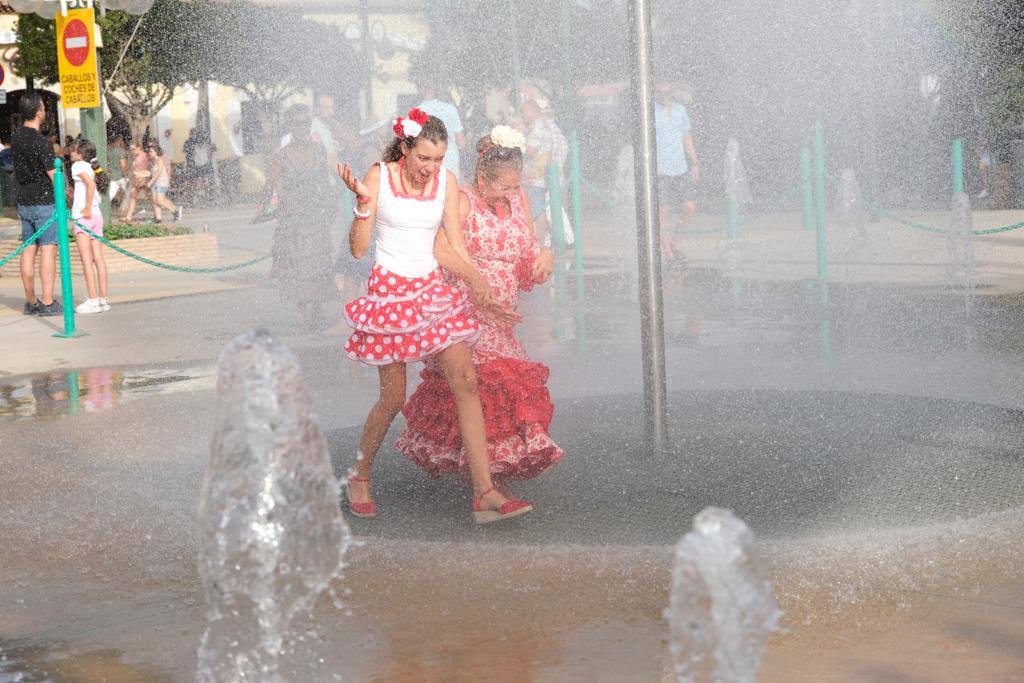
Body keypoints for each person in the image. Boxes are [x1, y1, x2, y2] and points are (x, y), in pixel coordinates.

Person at [337, 107, 532, 524]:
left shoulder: (445, 184)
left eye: (438, 159)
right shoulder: (379, 178)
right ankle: (359, 475)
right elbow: (357, 249)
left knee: (466, 379)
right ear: (405, 148)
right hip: (390, 296)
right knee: (393, 397)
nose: (431, 168)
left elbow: (452, 247)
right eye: (424, 158)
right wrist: (362, 205)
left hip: (432, 293)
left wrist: (478, 284)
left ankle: (484, 493)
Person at [396, 125, 562, 490]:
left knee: (495, 389)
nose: (511, 194)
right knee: (492, 384)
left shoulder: (518, 200)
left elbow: (528, 248)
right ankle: (487, 485)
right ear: (482, 179)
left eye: (516, 186)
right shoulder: (464, 201)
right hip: (465, 310)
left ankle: (487, 476)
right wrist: (476, 281)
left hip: (502, 318)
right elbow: (438, 249)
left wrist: (544, 258)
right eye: (504, 186)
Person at [267, 104, 337, 329]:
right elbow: (273, 189)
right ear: (290, 126)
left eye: (305, 124)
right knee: (296, 267)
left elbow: (325, 183)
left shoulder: (318, 150)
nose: (302, 128)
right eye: (297, 124)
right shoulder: (281, 155)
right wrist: (269, 212)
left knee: (317, 263)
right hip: (291, 218)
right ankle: (302, 313)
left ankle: (316, 310)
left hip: (315, 215)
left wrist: (330, 206)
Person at [13, 92, 61, 317]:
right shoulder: (41, 142)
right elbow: (53, 175)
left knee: (29, 248)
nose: (44, 111)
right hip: (43, 201)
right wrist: (65, 197)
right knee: (48, 249)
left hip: (24, 200)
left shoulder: (16, 137)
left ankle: (31, 301)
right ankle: (48, 302)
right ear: (38, 112)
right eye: (43, 107)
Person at [654, 81, 700, 260]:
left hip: (680, 167)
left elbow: (686, 135)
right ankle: (667, 251)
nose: (664, 97)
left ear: (673, 93)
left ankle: (675, 241)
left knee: (689, 207)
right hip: (660, 170)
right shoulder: (650, 111)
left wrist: (694, 162)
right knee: (662, 212)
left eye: (668, 93)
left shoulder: (680, 110)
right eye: (660, 93)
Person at [67, 138, 110, 314]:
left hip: (84, 217)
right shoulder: (92, 167)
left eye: (73, 150)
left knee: (86, 260)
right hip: (97, 216)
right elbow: (91, 185)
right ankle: (102, 300)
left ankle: (92, 300)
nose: (70, 152)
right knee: (98, 259)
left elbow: (90, 186)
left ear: (80, 154)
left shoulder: (77, 166)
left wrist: (85, 207)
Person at [520, 99, 569, 245]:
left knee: (537, 213)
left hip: (535, 177)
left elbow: (531, 150)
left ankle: (540, 245)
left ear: (533, 110)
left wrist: (513, 147)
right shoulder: (544, 125)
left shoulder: (539, 127)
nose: (523, 116)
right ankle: (553, 239)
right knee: (538, 210)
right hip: (538, 175)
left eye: (524, 112)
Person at [416, 74, 466, 180]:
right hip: (450, 160)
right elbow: (461, 142)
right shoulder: (450, 109)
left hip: (427, 162)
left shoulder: (416, 112)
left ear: (420, 90)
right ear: (433, 88)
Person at [146, 145, 182, 222]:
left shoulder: (160, 160)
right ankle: (158, 218)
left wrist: (150, 181)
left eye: (151, 151)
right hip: (155, 183)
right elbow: (152, 173)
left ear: (156, 152)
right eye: (149, 151)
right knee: (154, 200)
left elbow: (158, 172)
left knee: (159, 200)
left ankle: (175, 211)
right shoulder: (152, 161)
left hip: (162, 183)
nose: (149, 153)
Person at [122, 142, 151, 222]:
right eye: (131, 149)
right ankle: (128, 217)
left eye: (133, 149)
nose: (132, 151)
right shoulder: (137, 156)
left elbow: (147, 168)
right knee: (133, 196)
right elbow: (134, 169)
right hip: (137, 179)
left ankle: (172, 210)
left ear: (139, 147)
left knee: (152, 198)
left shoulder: (143, 156)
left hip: (143, 179)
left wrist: (145, 177)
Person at [106, 135, 128, 207]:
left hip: (112, 176)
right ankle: (126, 210)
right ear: (119, 141)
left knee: (110, 195)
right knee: (129, 193)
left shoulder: (109, 151)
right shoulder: (121, 151)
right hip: (121, 176)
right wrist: (125, 175)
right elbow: (123, 165)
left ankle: (105, 208)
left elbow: (107, 163)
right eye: (121, 140)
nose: (123, 142)